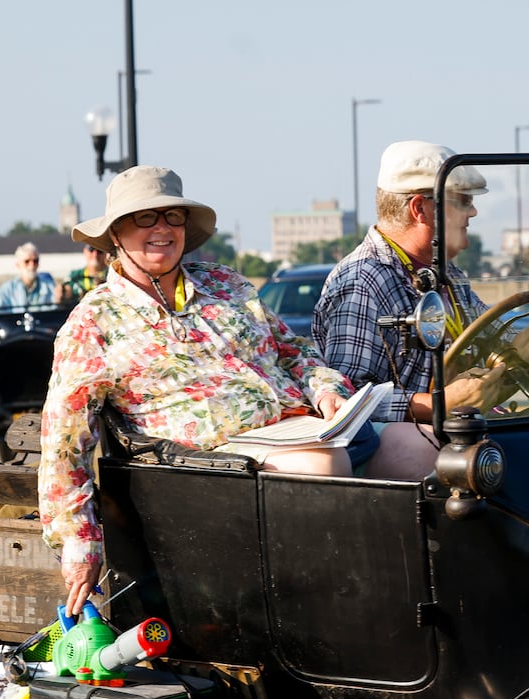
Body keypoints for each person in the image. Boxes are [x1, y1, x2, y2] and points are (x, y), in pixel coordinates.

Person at [39, 165, 356, 615]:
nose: (163, 229)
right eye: (145, 218)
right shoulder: (93, 323)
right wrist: (80, 545)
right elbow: (64, 442)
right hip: (204, 471)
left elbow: (295, 350)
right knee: (321, 463)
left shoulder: (226, 284)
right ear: (115, 234)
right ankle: (337, 610)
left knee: (414, 446)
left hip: (300, 426)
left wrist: (325, 391)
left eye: (173, 216)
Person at [312, 140, 529, 479]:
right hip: (407, 475)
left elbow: (489, 335)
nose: (473, 213)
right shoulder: (364, 281)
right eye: (463, 201)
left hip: (460, 441)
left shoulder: (445, 274)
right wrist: (439, 404)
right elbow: (344, 402)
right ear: (421, 209)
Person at [0, 242, 60, 309]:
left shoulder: (50, 287)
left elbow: (58, 310)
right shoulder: (7, 290)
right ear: (18, 265)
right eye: (27, 261)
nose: (32, 265)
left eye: (35, 261)